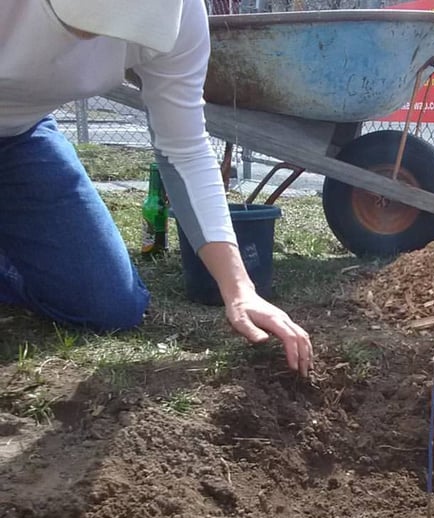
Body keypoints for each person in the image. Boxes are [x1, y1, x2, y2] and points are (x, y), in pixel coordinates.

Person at [0, 0, 313, 375]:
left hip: (20, 137)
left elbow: (184, 149)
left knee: (108, 305)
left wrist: (239, 288)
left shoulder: (180, 16)